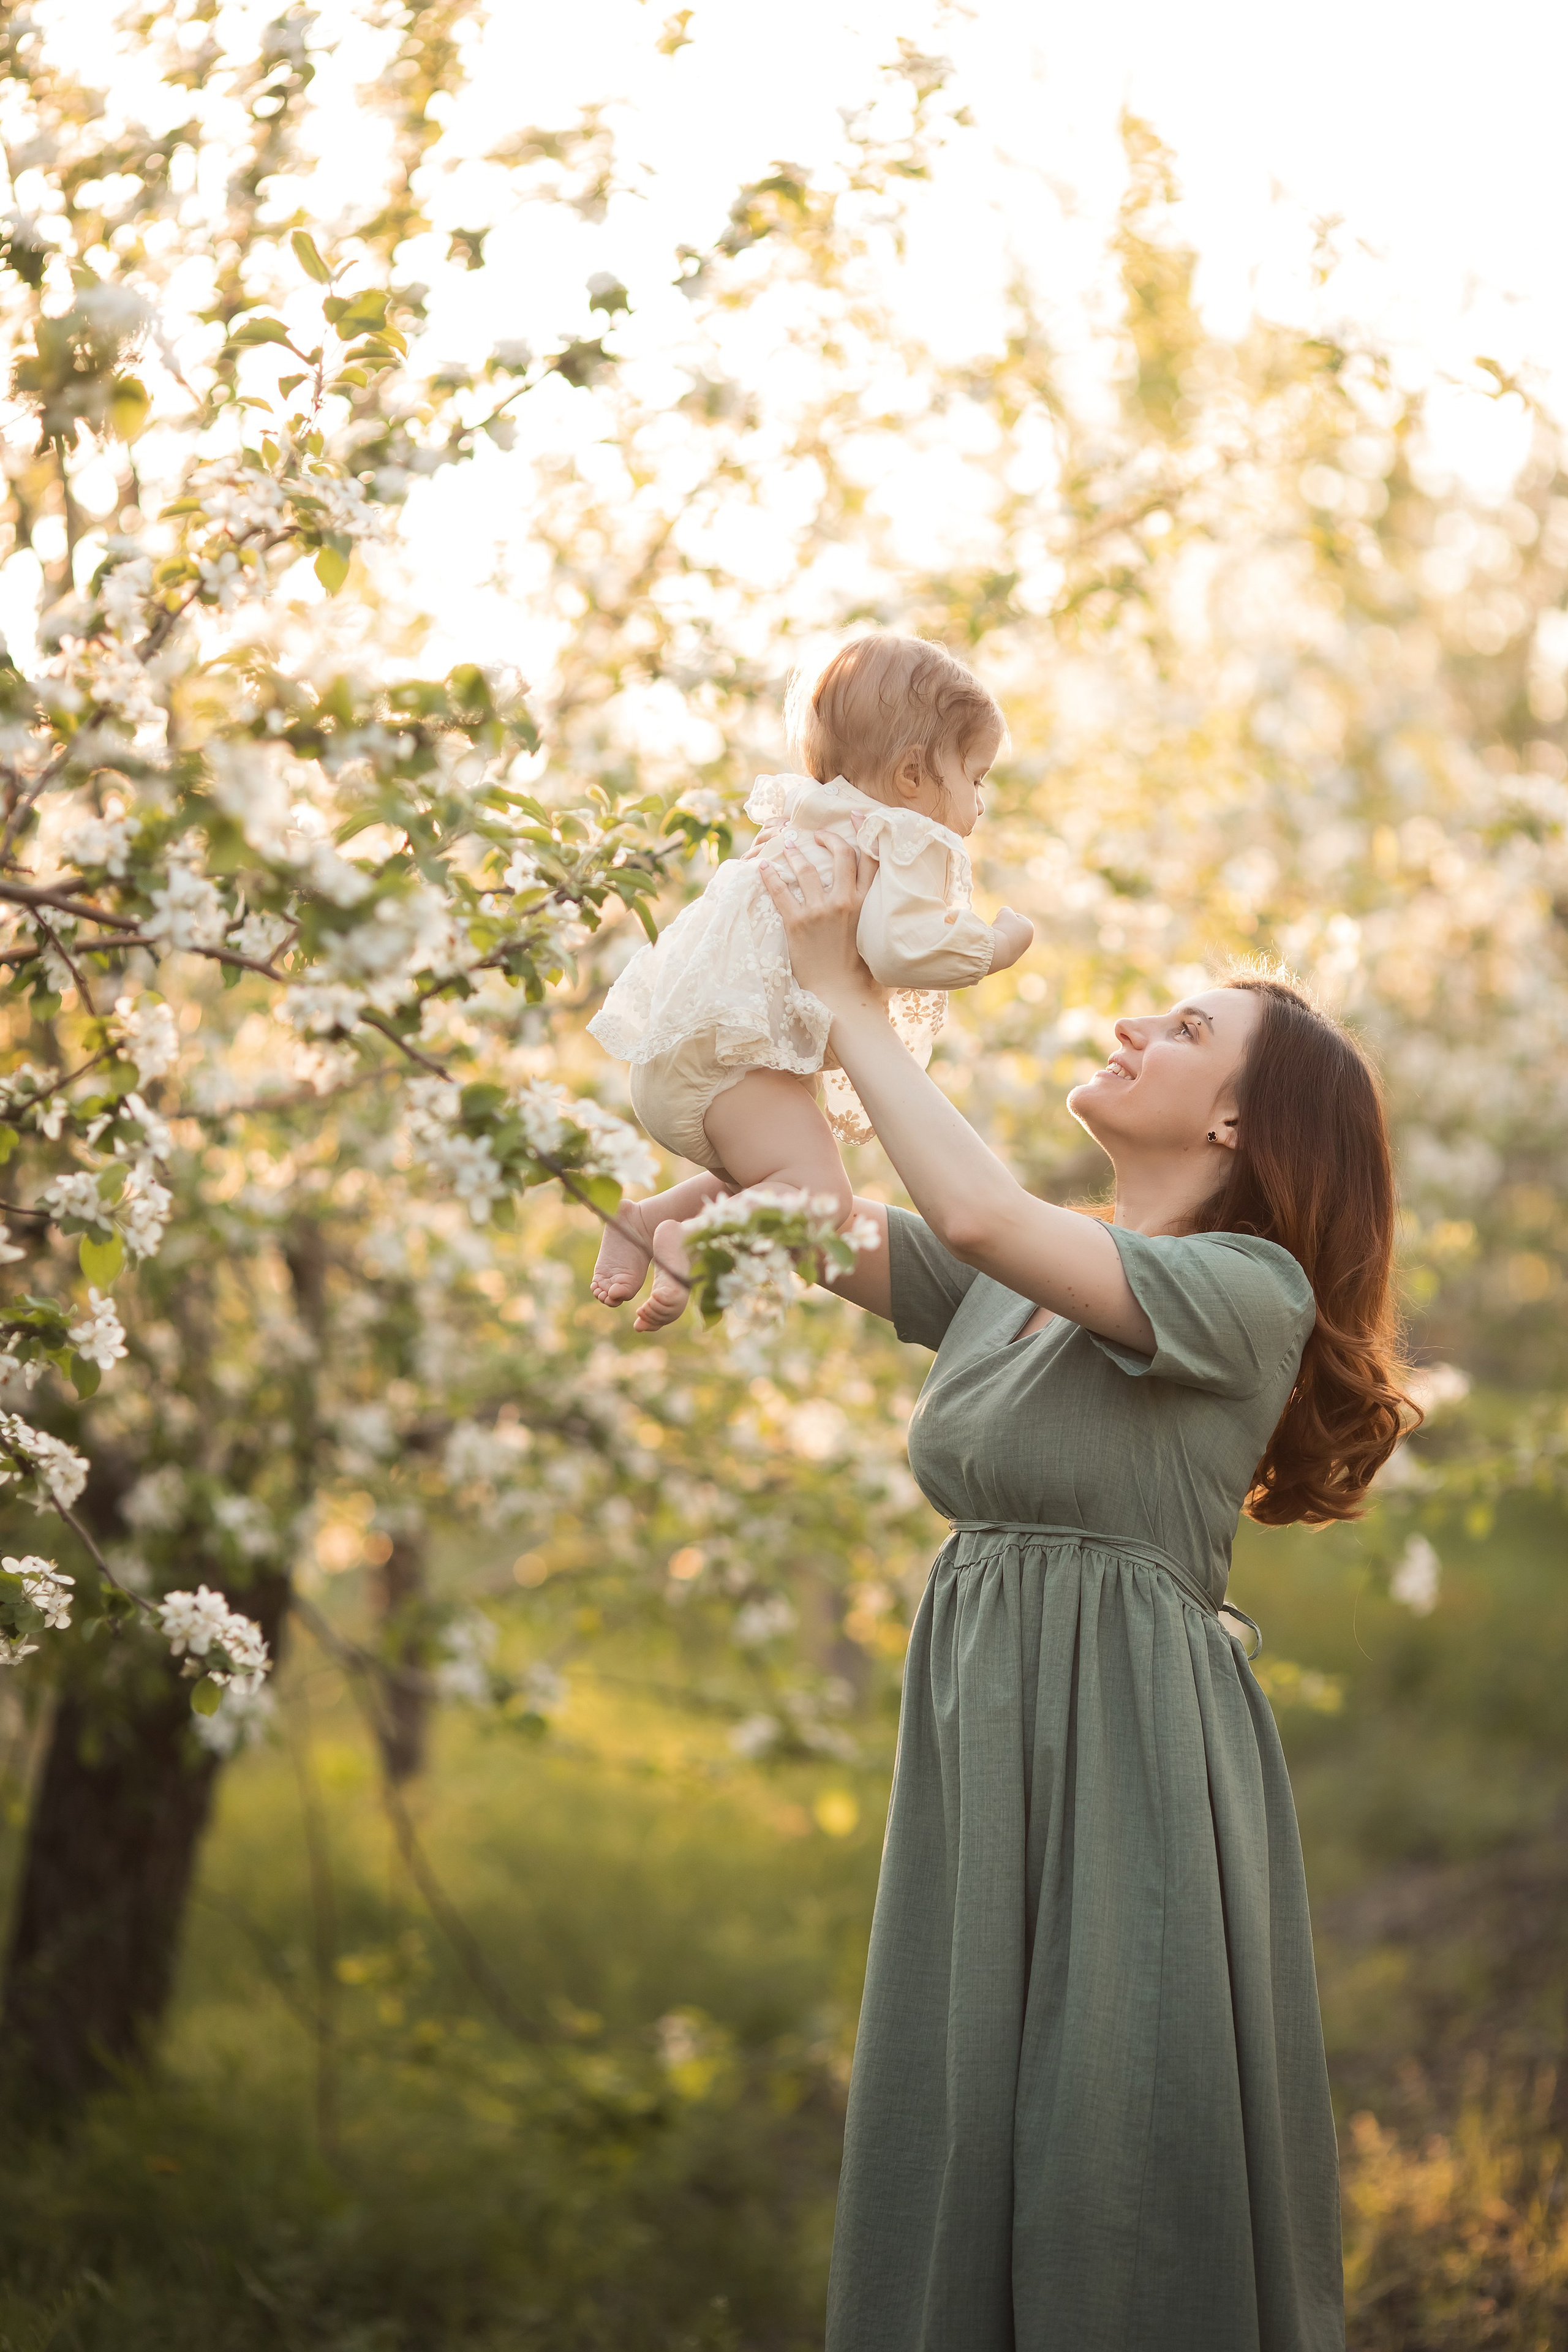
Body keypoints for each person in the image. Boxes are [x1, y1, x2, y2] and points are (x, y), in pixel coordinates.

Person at [737, 829, 1414, 2351]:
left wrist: (848, 995)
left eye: (1181, 1027)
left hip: (1125, 1743)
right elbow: (798, 1200)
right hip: (987, 1730)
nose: (1127, 1024)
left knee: (1103, 2132)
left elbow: (978, 1215)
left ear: (1235, 1118)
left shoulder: (1246, 1290)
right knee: (965, 2104)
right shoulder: (1031, 1275)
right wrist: (746, 1001)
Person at [587, 633, 1033, 1330]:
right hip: (734, 1071)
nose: (978, 803)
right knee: (822, 1198)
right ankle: (692, 1242)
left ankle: (644, 1222)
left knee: (774, 1183)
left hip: (683, 1055)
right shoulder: (904, 837)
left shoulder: (808, 814)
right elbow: (902, 949)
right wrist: (997, 946)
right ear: (911, 775)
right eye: (975, 779)